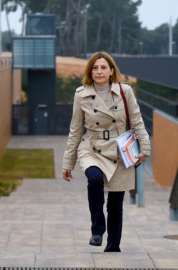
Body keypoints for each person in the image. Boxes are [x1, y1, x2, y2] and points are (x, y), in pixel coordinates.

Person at [62, 51, 150, 252]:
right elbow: (75, 131)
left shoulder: (125, 91)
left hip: (120, 151)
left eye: (103, 67)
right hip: (92, 148)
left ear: (111, 71)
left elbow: (137, 122)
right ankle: (97, 229)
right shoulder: (81, 94)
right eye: (95, 67)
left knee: (115, 206)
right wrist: (68, 163)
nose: (99, 71)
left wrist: (145, 149)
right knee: (94, 179)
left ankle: (113, 248)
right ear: (90, 71)